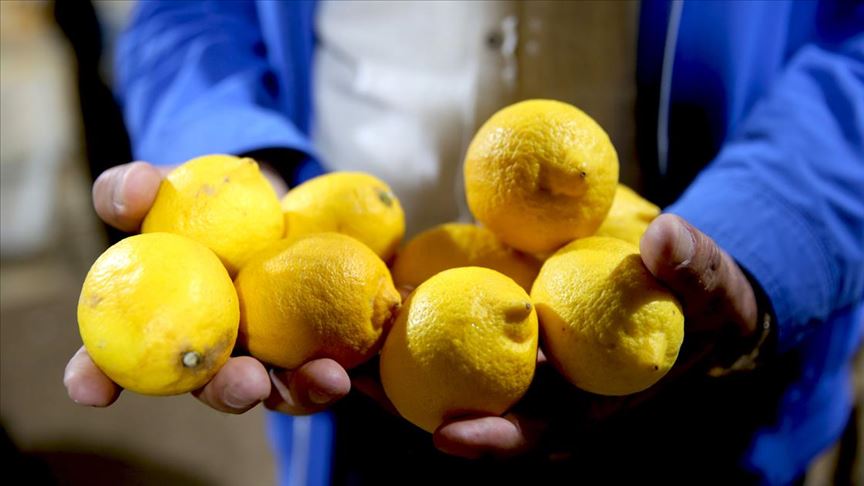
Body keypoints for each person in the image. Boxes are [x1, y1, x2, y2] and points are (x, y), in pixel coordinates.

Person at [64, 1, 863, 484]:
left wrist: (769, 233)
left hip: (709, 376)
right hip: (337, 356)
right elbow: (188, 15)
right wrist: (230, 160)